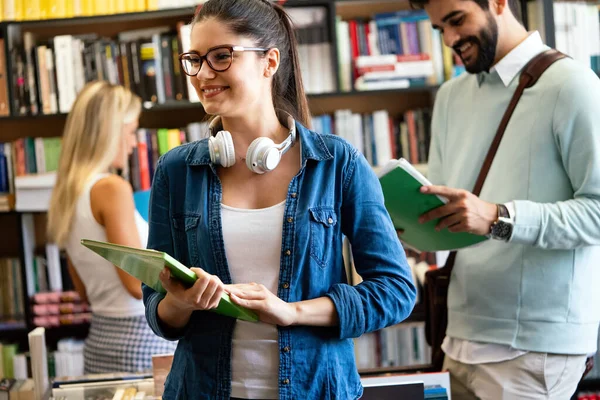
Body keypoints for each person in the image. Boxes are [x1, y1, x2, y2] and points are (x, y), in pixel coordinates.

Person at [142, 0, 417, 399]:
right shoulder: (176, 171)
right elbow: (158, 309)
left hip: (316, 389)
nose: (203, 74)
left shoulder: (336, 163)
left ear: (269, 62)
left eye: (221, 57)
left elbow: (395, 291)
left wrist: (292, 312)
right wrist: (181, 302)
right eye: (194, 59)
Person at [408, 0, 600, 398]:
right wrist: (408, 223)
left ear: (498, 2)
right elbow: (446, 218)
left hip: (536, 349)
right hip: (457, 336)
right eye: (439, 28)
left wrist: (498, 216)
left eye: (457, 21)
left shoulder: (573, 85)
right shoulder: (449, 97)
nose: (450, 39)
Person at [47, 81, 177, 374]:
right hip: (143, 341)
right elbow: (136, 284)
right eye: (131, 132)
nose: (134, 144)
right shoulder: (111, 188)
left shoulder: (68, 193)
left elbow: (82, 290)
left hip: (100, 340)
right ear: (109, 131)